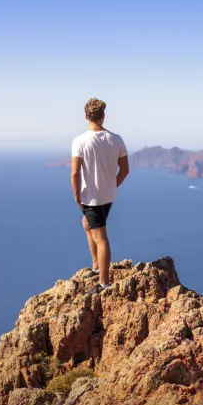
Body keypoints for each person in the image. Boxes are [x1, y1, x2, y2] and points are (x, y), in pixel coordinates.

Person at [71, 98, 129, 291]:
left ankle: (104, 283)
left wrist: (77, 195)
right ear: (103, 116)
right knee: (87, 224)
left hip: (91, 197)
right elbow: (125, 170)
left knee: (101, 236)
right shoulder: (116, 139)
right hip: (108, 196)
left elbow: (75, 172)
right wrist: (112, 186)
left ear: (86, 116)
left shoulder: (79, 141)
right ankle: (96, 265)